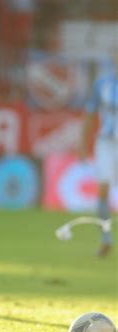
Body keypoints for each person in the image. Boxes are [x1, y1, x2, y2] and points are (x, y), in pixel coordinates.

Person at [80, 58, 118, 257]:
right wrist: (82, 144)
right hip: (106, 143)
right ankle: (106, 238)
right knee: (103, 188)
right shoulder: (102, 85)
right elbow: (89, 114)